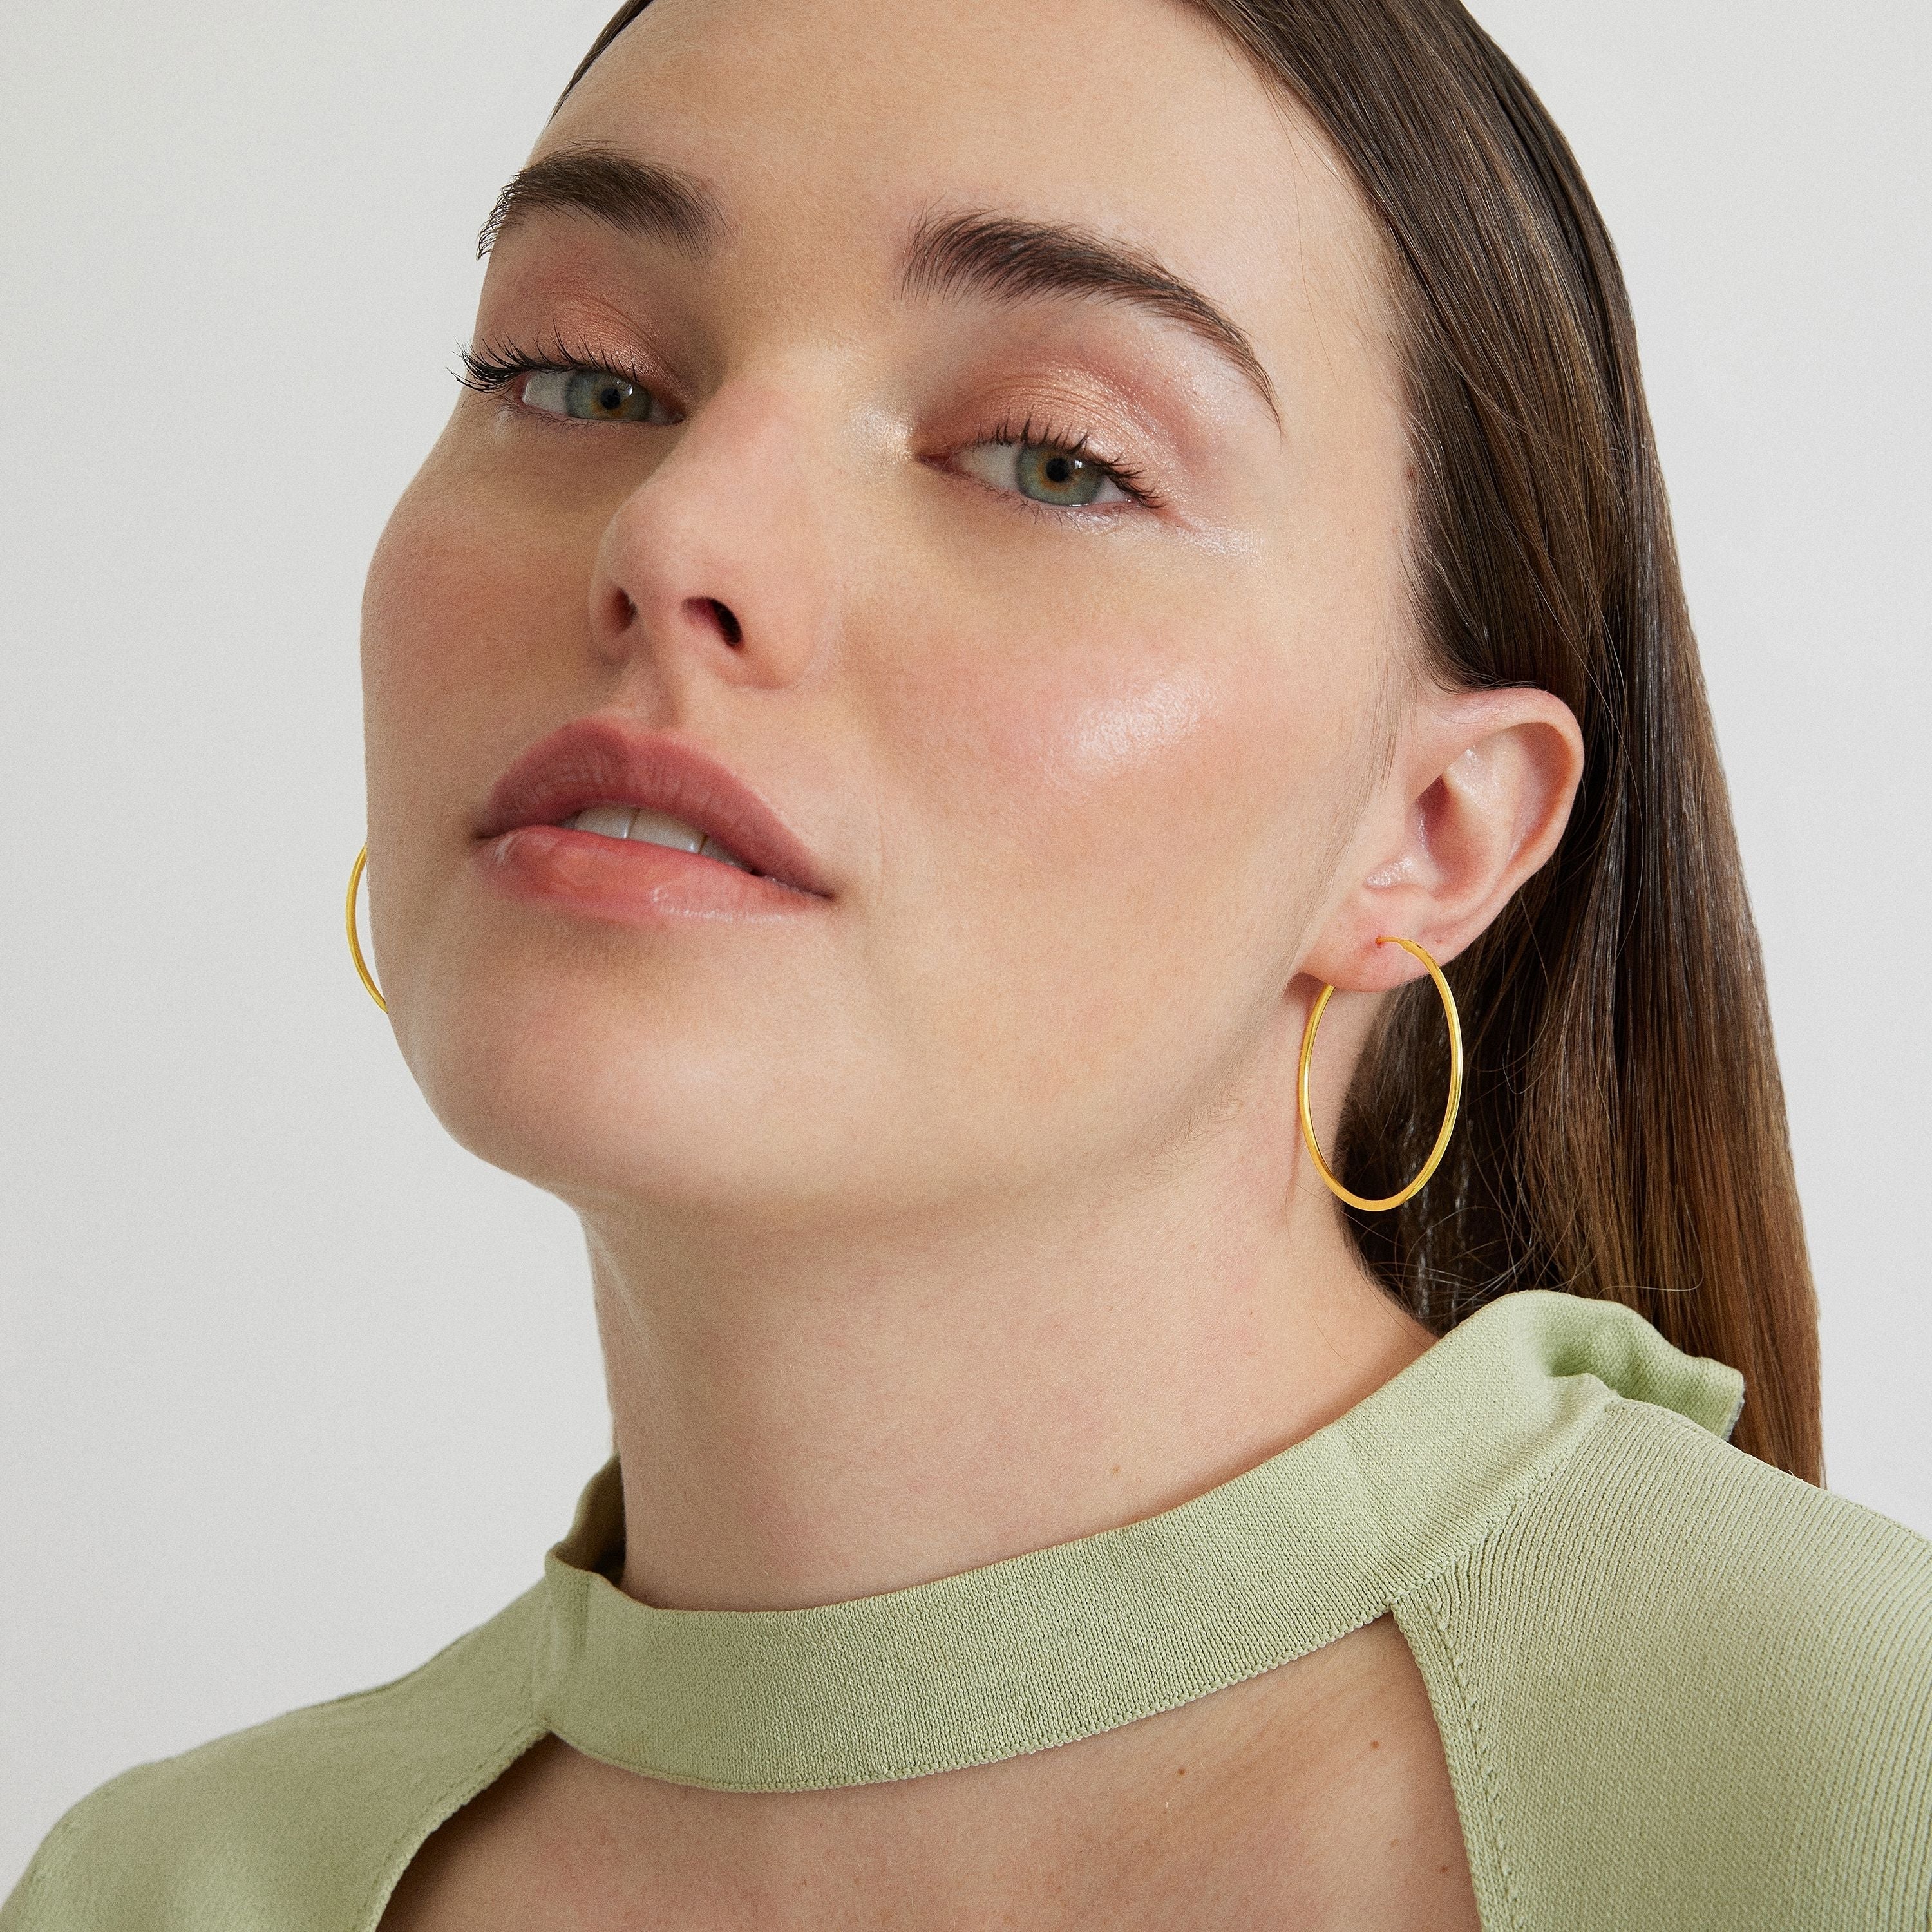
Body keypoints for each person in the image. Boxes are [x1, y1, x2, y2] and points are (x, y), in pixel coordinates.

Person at [7, 0, 1929, 1925]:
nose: (676, 533)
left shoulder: (1865, 1793)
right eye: (579, 376)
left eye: (1051, 460)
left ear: (1431, 833)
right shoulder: (153, 1897)